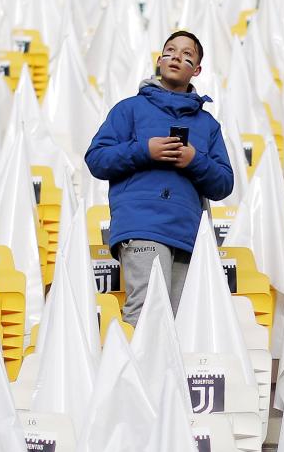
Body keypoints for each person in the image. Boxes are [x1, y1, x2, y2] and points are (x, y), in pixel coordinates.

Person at [85, 31, 234, 326]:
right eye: (170, 51)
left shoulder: (208, 125)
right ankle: (133, 374)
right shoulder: (129, 109)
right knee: (146, 313)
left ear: (197, 70)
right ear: (159, 60)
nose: (177, 57)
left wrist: (195, 160)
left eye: (187, 55)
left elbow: (224, 184)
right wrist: (145, 150)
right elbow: (97, 159)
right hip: (141, 224)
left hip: (187, 234)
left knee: (180, 324)